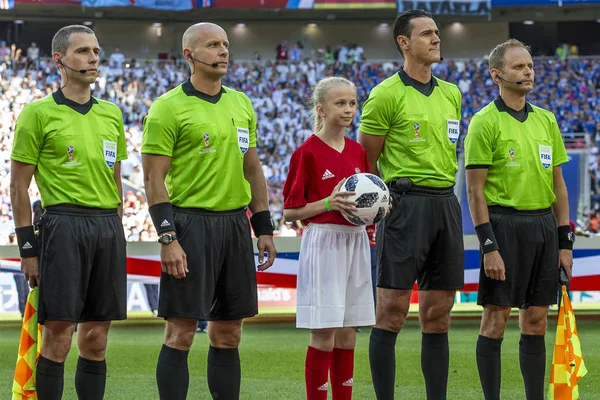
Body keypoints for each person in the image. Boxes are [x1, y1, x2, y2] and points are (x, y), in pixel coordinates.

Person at [141, 22, 277, 400]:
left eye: (226, 45)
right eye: (213, 45)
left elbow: (253, 168)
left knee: (229, 332)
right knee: (182, 331)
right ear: (189, 55)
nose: (223, 51)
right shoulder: (167, 107)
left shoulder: (241, 103)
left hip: (235, 225)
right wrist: (168, 238)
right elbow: (154, 180)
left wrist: (263, 226)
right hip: (190, 226)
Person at [10, 25, 127, 400]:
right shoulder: (37, 113)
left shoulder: (112, 114)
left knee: (96, 339)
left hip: (107, 227)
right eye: (83, 51)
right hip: (62, 226)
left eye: (96, 50)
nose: (93, 58)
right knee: (58, 335)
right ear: (59, 60)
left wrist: (116, 225)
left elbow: (115, 180)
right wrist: (28, 250)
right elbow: (17, 188)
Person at [358, 9, 464, 400]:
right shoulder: (385, 94)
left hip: (445, 205)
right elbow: (366, 163)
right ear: (404, 42)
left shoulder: (452, 93)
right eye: (426, 34)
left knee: (438, 315)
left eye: (437, 33)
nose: (436, 39)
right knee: (391, 312)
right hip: (403, 205)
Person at [464, 39, 574, 400]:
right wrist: (488, 246)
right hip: (503, 227)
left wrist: (564, 242)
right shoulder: (484, 121)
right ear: (497, 74)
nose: (528, 71)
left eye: (529, 65)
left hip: (543, 227)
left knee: (537, 320)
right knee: (495, 320)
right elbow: (475, 191)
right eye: (518, 67)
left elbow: (559, 186)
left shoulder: (547, 120)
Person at [283, 76, 375, 400]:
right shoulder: (306, 153)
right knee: (324, 332)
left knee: (348, 333)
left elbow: (364, 200)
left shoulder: (357, 151)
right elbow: (291, 212)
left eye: (352, 103)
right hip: (323, 241)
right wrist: (327, 203)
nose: (349, 109)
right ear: (321, 109)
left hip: (356, 241)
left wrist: (375, 214)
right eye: (340, 103)